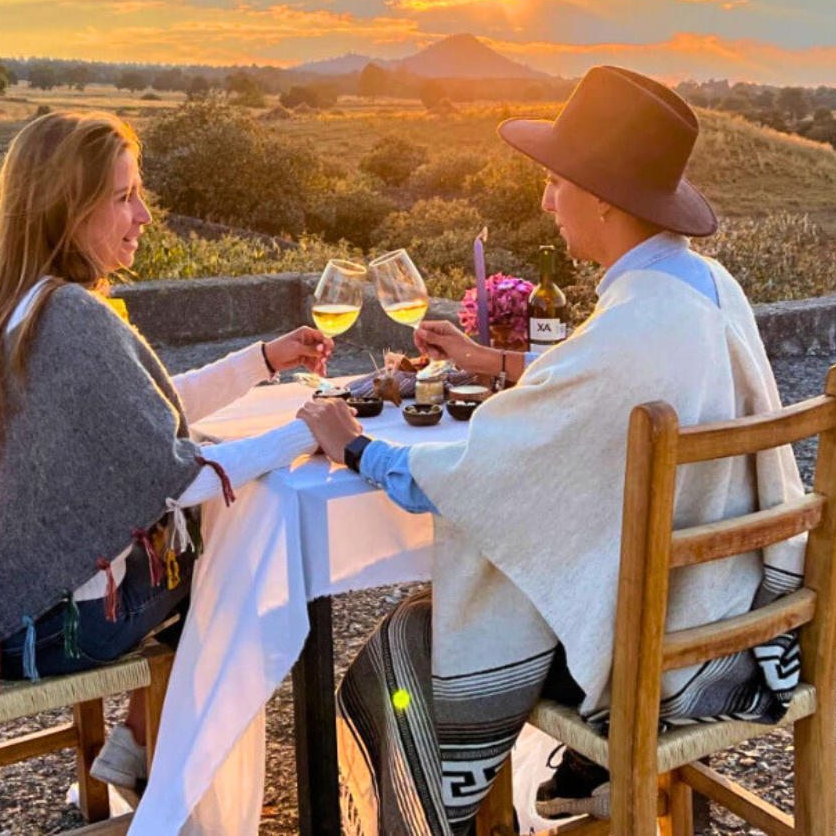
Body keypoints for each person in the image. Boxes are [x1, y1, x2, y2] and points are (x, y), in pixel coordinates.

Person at [297, 66, 807, 832]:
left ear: (603, 197)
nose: (544, 199)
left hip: (669, 658)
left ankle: (417, 813)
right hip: (743, 619)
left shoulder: (632, 325)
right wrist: (487, 361)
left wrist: (357, 448)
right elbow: (592, 385)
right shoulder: (703, 285)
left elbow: (475, 477)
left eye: (556, 182)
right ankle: (582, 782)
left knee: (413, 635)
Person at [0, 111, 331, 790]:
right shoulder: (73, 320)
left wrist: (262, 359)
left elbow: (145, 411)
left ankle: (143, 742)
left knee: (211, 538)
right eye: (122, 196)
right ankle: (161, 762)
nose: (143, 213)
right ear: (65, 209)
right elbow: (181, 475)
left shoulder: (13, 305)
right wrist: (309, 430)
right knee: (239, 542)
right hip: (41, 624)